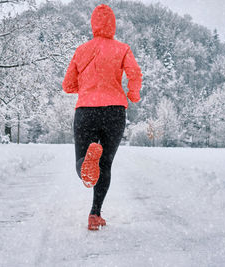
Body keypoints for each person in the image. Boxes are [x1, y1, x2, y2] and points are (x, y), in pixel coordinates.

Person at [62, 4, 142, 231]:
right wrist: (132, 94)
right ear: (113, 25)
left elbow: (68, 85)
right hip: (115, 111)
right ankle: (95, 214)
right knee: (105, 163)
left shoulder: (81, 50)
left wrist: (87, 85)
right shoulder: (122, 48)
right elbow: (135, 74)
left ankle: (85, 169)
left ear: (93, 25)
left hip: (86, 110)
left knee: (82, 159)